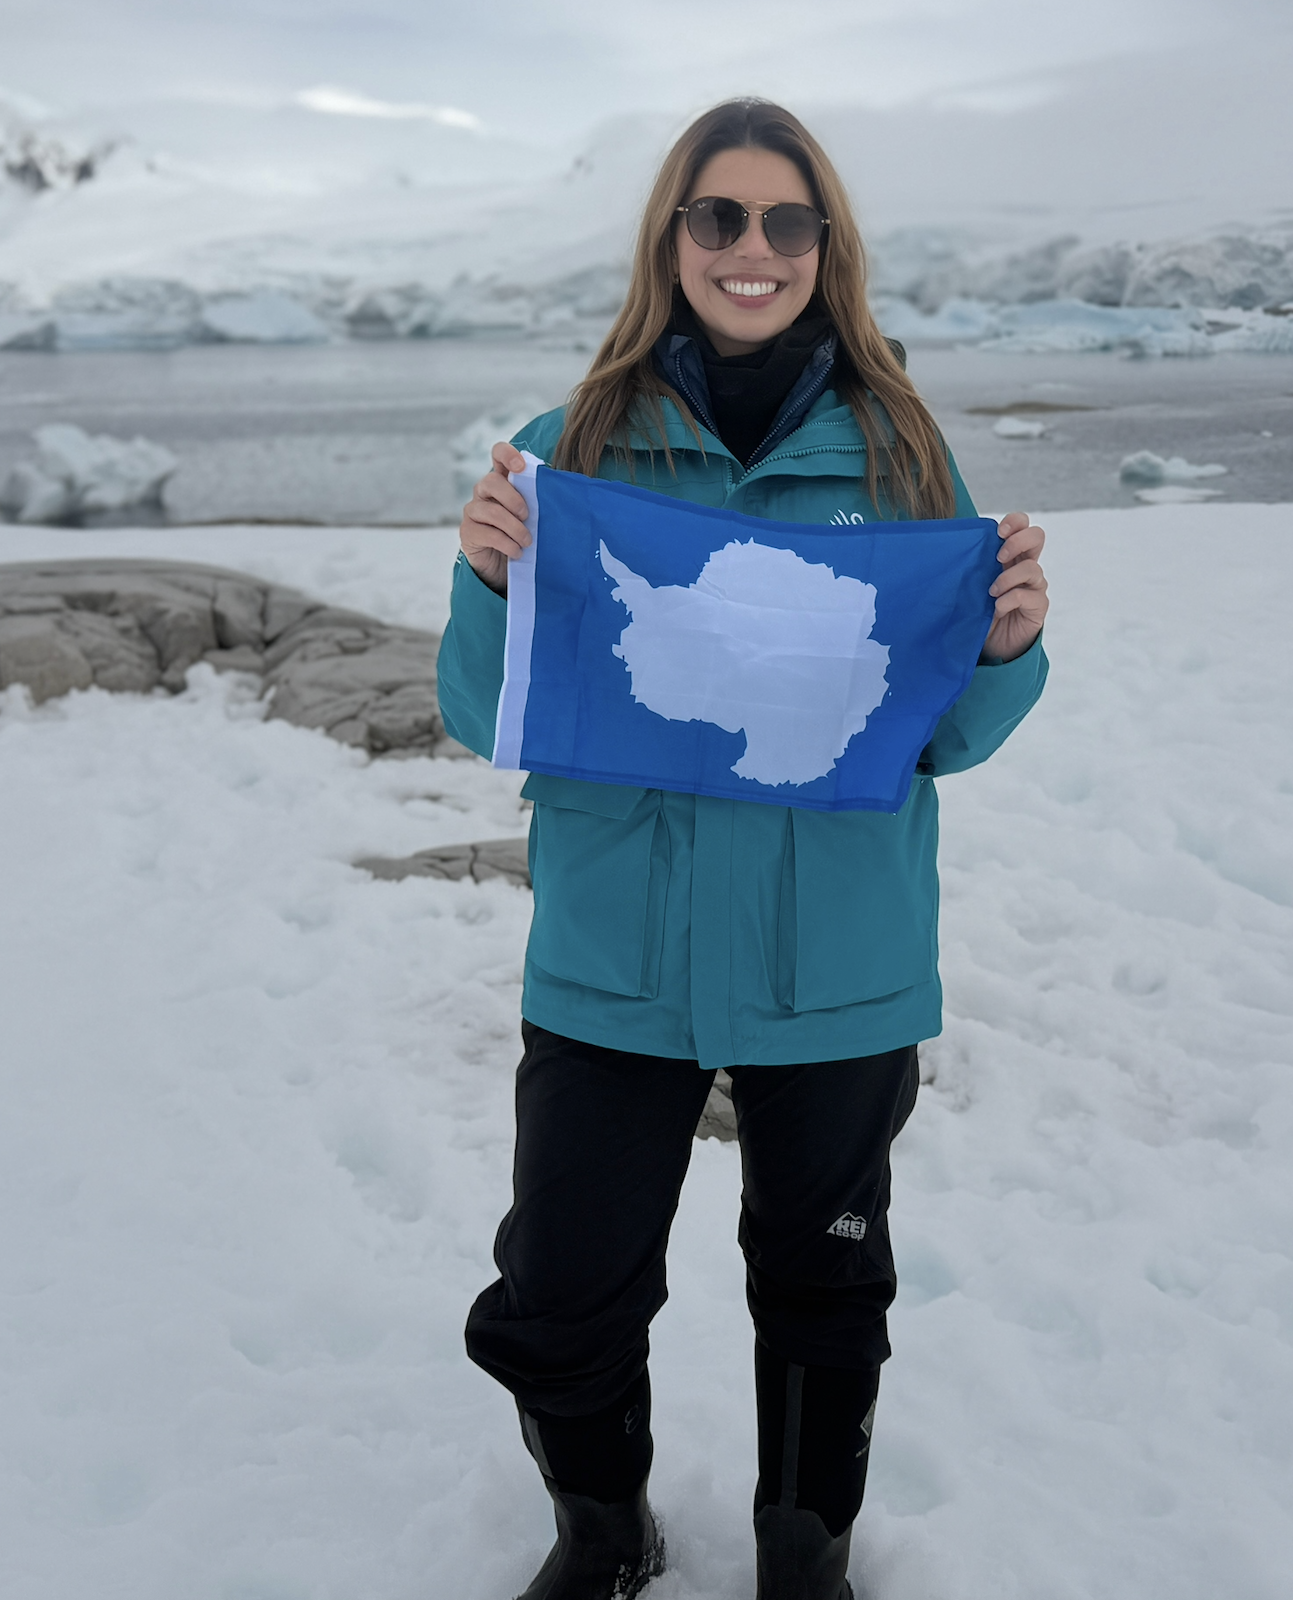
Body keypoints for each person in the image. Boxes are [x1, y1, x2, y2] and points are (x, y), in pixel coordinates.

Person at [439, 98, 1050, 1600]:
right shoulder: (563, 450)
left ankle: (803, 1554)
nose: (752, 248)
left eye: (786, 220)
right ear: (672, 238)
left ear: (823, 247)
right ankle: (601, 1529)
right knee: (563, 1290)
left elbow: (944, 733)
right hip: (613, 956)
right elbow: (480, 708)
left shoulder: (901, 454)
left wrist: (1009, 646)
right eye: (719, 217)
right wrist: (482, 580)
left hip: (830, 957)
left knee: (826, 1285)